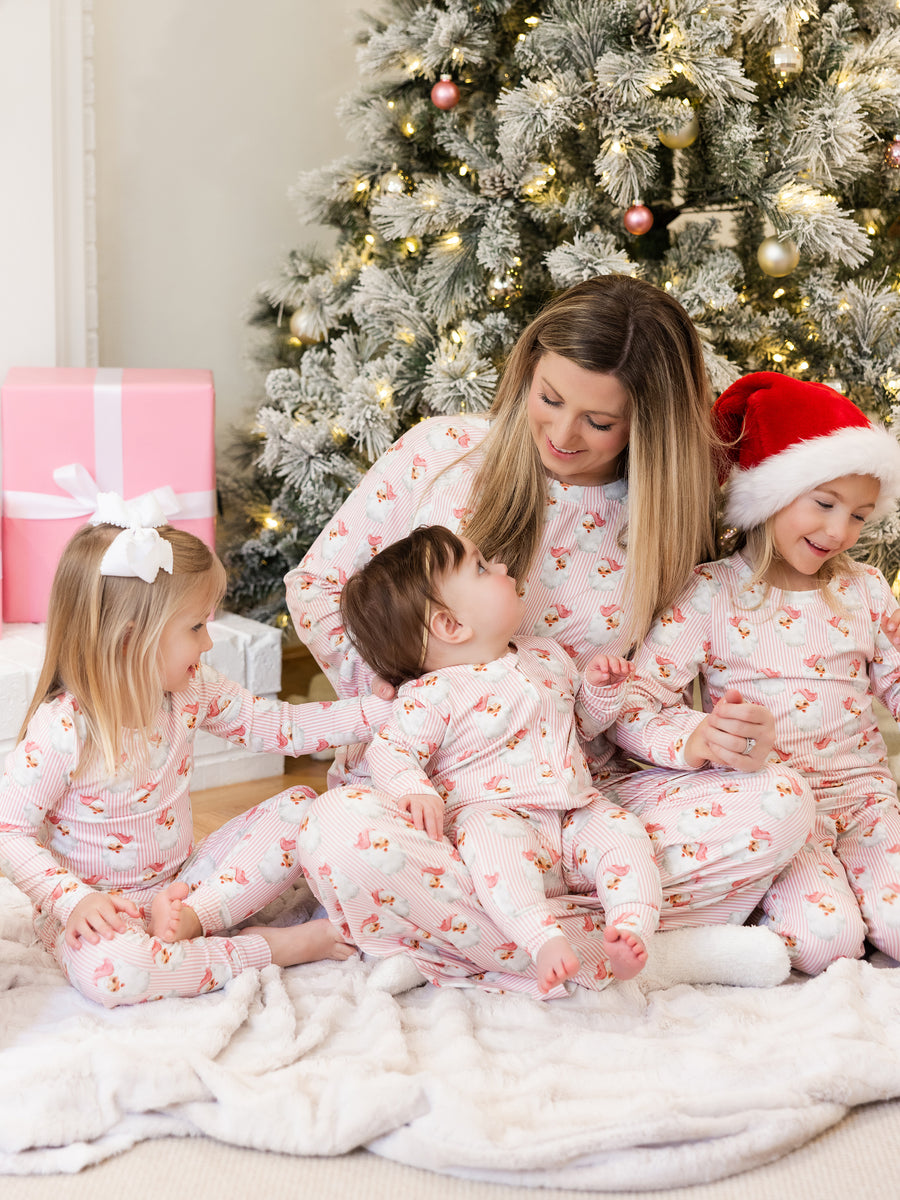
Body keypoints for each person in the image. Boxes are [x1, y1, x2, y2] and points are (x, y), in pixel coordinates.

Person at [287, 274, 815, 996]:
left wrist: (701, 740)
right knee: (338, 834)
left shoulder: (666, 518)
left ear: (648, 425)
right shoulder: (442, 455)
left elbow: (643, 698)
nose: (564, 435)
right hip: (439, 807)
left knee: (781, 801)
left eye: (600, 422)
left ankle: (448, 943)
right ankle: (648, 954)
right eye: (550, 398)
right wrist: (396, 685)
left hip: (583, 804)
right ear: (527, 371)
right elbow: (318, 588)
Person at [0, 493, 390, 1008]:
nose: (207, 644)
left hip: (185, 886)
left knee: (302, 808)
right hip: (96, 913)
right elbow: (10, 830)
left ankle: (194, 922)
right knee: (118, 973)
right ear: (130, 641)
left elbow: (275, 725)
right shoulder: (65, 729)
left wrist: (377, 711)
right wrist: (74, 901)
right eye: (195, 627)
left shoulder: (190, 689)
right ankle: (266, 949)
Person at [614, 372, 900, 974]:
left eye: (859, 515)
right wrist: (695, 738)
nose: (839, 531)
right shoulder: (708, 594)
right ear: (768, 496)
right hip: (775, 811)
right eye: (824, 503)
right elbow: (634, 704)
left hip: (865, 799)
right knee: (828, 944)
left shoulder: (866, 590)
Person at [340, 525, 661, 993]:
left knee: (626, 836)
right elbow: (390, 751)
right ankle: (542, 938)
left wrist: (600, 690)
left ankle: (630, 931)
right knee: (494, 849)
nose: (504, 567)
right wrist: (414, 789)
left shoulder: (546, 657)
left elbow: (583, 726)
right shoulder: (432, 694)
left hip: (575, 813)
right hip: (497, 816)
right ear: (451, 625)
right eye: (483, 567)